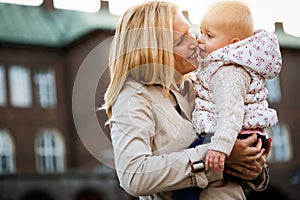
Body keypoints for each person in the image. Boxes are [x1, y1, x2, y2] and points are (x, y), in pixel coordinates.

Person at [102, 1, 270, 200]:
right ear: (155, 51)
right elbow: (134, 175)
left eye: (190, 31)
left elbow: (240, 165)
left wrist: (254, 169)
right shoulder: (134, 97)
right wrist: (214, 156)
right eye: (180, 40)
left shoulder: (201, 86)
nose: (194, 42)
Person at [187, 0, 281, 199]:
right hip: (238, 134)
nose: (199, 39)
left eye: (209, 35)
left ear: (233, 44)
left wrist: (219, 147)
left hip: (235, 135)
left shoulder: (228, 72)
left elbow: (232, 112)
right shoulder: (219, 66)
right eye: (201, 31)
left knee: (189, 175)